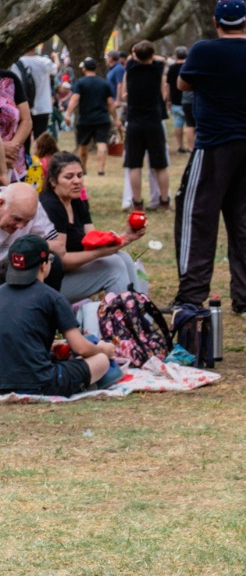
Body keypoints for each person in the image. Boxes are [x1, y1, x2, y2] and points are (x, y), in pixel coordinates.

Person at [174, 0, 246, 318]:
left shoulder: (204, 50)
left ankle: (191, 295)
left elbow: (182, 83)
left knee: (198, 216)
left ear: (216, 22)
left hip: (214, 144)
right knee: (244, 221)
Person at [0, 235, 113, 396]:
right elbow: (80, 347)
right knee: (101, 361)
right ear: (44, 265)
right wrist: (101, 349)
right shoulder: (51, 297)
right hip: (40, 384)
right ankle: (86, 384)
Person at [37, 153, 143, 298]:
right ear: (53, 181)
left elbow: (94, 242)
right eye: (69, 177)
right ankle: (124, 318)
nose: (77, 181)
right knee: (114, 268)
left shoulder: (76, 202)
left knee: (124, 257)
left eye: (80, 175)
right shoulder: (51, 206)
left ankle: (139, 309)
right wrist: (99, 254)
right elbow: (61, 262)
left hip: (72, 273)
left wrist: (127, 236)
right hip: (51, 284)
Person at [118, 41, 170, 211]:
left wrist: (139, 54)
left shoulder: (131, 68)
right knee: (160, 165)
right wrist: (149, 54)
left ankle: (137, 203)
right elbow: (162, 59)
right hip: (154, 122)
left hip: (134, 123)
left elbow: (135, 56)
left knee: (134, 165)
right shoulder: (157, 69)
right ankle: (164, 201)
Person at [68, 58, 117, 177]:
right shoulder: (103, 83)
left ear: (84, 68)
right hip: (102, 118)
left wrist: (68, 113)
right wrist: (115, 118)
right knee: (101, 143)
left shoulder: (80, 82)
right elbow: (110, 103)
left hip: (85, 119)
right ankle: (101, 170)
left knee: (83, 145)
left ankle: (83, 169)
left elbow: (75, 99)